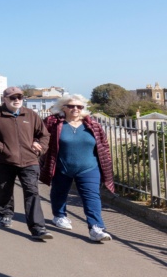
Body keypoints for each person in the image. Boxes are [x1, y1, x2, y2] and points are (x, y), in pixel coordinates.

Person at [40, 94, 115, 242]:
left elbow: (104, 145)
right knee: (59, 192)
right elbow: (41, 137)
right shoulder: (54, 123)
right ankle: (59, 216)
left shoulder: (92, 125)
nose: (75, 109)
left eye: (79, 106)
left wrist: (106, 163)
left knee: (92, 196)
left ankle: (96, 228)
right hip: (62, 166)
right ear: (63, 107)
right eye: (71, 106)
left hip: (89, 167)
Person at [0, 86, 52, 240]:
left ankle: (38, 227)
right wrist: (1, 148)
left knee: (32, 192)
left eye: (19, 97)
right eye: (13, 97)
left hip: (29, 160)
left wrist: (39, 149)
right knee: (4, 189)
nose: (17, 100)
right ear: (4, 99)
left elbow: (44, 135)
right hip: (4, 160)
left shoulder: (31, 114)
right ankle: (6, 213)